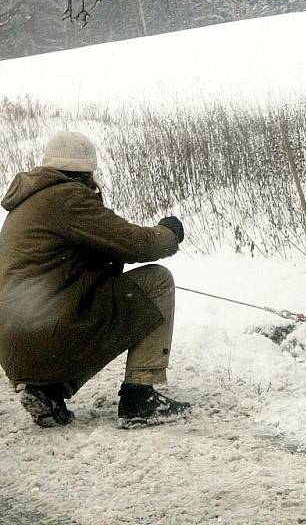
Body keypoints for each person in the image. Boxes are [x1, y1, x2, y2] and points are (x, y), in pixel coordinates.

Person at [0, 131, 191, 428]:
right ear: (86, 171)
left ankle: (48, 391)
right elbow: (135, 243)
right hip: (44, 333)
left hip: (18, 344)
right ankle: (140, 395)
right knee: (157, 280)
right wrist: (167, 234)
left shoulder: (28, 204)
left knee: (88, 311)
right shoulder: (66, 197)